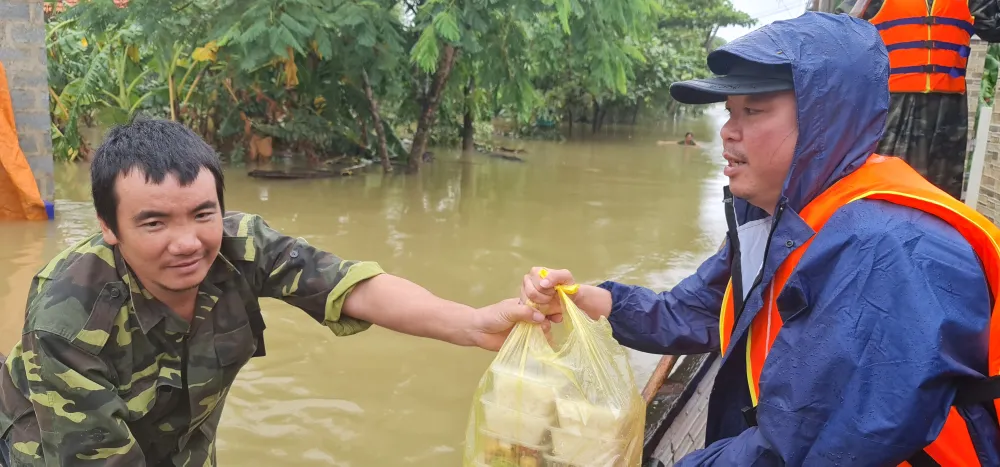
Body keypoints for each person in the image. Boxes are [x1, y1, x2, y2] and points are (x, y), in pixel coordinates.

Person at [519, 13, 1000, 466]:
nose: (728, 133)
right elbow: (697, 310)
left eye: (753, 110)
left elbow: (791, 449)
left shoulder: (886, 252)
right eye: (729, 112)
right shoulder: (774, 212)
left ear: (821, 123)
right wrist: (588, 300)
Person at [0, 118, 544, 466]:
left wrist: (473, 325)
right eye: (153, 223)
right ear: (110, 227)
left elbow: (347, 284)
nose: (187, 242)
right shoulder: (67, 312)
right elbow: (93, 459)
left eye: (202, 213)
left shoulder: (240, 245)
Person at [836, 0, 1000, 200]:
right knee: (887, 187)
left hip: (949, 113)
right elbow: (839, 32)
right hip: (893, 107)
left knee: (942, 193)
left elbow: (994, 28)